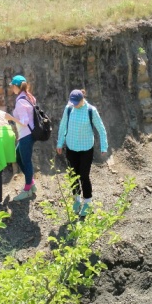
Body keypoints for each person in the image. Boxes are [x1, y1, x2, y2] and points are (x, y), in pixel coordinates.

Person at [56, 89, 108, 218]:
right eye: (72, 102)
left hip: (86, 149)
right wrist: (59, 143)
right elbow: (63, 126)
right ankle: (77, 199)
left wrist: (104, 146)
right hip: (71, 147)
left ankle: (88, 202)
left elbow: (101, 129)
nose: (74, 104)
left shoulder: (91, 110)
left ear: (82, 99)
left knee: (84, 176)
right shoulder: (68, 109)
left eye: (76, 102)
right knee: (73, 175)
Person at [10, 75, 39, 201]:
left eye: (12, 86)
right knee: (17, 155)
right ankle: (31, 183)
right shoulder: (28, 97)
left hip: (26, 135)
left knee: (26, 161)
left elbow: (24, 121)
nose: (11, 88)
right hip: (28, 134)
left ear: (16, 86)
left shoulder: (21, 101)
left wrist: (10, 118)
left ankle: (27, 189)